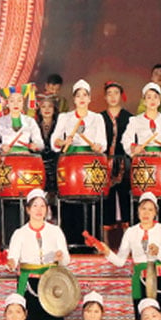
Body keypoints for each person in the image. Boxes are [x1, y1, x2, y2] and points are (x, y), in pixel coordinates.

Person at [5, 189, 70, 320]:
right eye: (35, 206)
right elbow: (13, 259)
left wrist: (61, 257)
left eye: (43, 206)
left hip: (52, 282)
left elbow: (66, 259)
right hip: (30, 283)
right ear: (27, 209)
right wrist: (10, 263)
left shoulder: (55, 231)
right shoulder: (20, 233)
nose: (39, 210)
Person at [98, 192, 161, 320]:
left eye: (150, 209)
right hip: (140, 280)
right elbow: (120, 261)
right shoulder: (131, 232)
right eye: (143, 208)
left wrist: (157, 253)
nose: (146, 213)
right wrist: (107, 253)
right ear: (137, 211)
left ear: (155, 213)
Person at [50, 79, 106, 247]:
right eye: (78, 95)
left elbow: (103, 142)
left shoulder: (97, 118)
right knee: (69, 201)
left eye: (85, 95)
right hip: (70, 164)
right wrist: (61, 141)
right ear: (74, 99)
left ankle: (92, 242)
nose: (81, 98)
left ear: (89, 99)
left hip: (91, 164)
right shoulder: (64, 117)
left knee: (91, 202)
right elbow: (54, 141)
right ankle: (71, 242)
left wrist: (98, 146)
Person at [0, 86, 45, 245]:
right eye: (12, 100)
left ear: (23, 102)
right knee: (9, 203)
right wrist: (1, 147)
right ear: (7, 103)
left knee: (29, 203)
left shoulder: (30, 121)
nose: (16, 103)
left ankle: (31, 243)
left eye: (19, 100)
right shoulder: (0, 122)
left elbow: (40, 143)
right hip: (8, 167)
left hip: (27, 167)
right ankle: (9, 243)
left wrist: (35, 145)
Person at [122, 82, 161, 224]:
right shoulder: (135, 120)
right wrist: (135, 147)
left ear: (159, 100)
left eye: (155, 97)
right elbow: (126, 140)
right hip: (143, 164)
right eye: (149, 97)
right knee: (143, 198)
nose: (152, 100)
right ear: (144, 101)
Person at [101, 81, 132, 240]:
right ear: (105, 97)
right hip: (105, 162)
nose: (113, 97)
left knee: (126, 196)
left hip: (124, 162)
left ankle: (129, 238)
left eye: (116, 93)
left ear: (121, 95)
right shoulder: (99, 118)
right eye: (110, 93)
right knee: (106, 198)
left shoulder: (129, 118)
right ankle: (105, 240)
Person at [35, 94, 60, 200]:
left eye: (50, 106)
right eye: (43, 106)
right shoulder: (33, 125)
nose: (47, 109)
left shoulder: (60, 125)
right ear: (39, 110)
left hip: (56, 164)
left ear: (54, 109)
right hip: (39, 165)